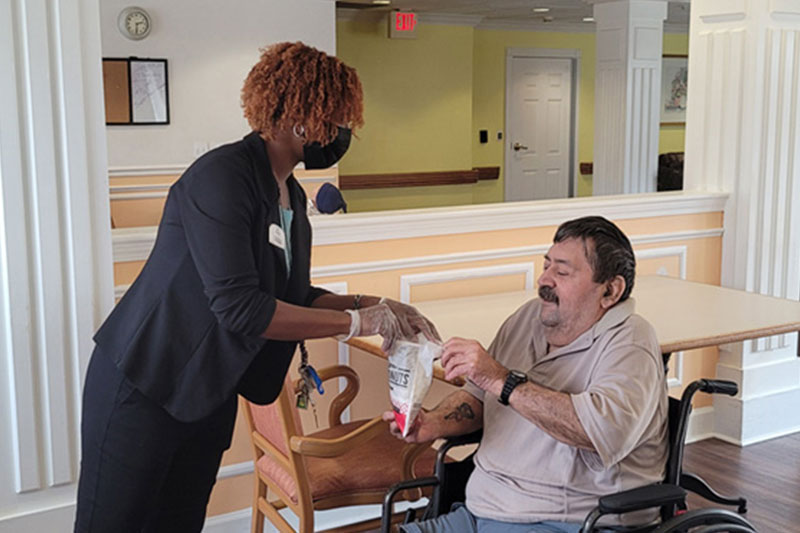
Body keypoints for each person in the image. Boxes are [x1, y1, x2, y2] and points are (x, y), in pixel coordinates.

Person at [75, 42, 436, 533]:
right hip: (146, 382)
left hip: (208, 389)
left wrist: (376, 304)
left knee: (180, 522)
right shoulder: (221, 178)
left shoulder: (291, 193)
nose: (341, 133)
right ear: (300, 116)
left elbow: (291, 293)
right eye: (336, 118)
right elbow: (241, 308)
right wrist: (357, 323)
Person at [384, 216, 668, 533]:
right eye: (546, 266)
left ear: (610, 291)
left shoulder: (630, 342)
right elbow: (478, 397)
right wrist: (433, 422)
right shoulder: (528, 318)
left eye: (561, 272)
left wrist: (502, 381)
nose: (544, 280)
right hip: (479, 511)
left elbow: (599, 433)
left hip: (567, 522)